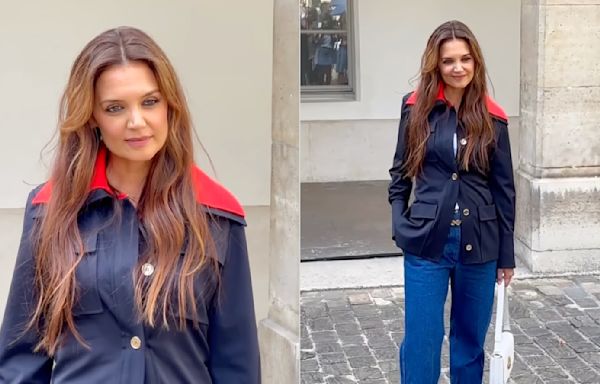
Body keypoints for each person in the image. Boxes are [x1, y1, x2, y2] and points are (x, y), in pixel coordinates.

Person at [0, 26, 260, 383]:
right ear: (92, 116)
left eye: (150, 102)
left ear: (170, 105)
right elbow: (21, 360)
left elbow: (237, 364)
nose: (136, 122)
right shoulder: (50, 210)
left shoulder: (216, 214)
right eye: (115, 107)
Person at [388, 20, 515, 384]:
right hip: (428, 241)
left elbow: (504, 191)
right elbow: (400, 175)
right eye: (448, 61)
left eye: (465, 59)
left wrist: (506, 256)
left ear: (476, 62)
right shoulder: (415, 109)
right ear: (436, 65)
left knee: (469, 344)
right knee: (421, 342)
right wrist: (401, 225)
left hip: (481, 245)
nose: (458, 68)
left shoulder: (494, 118)